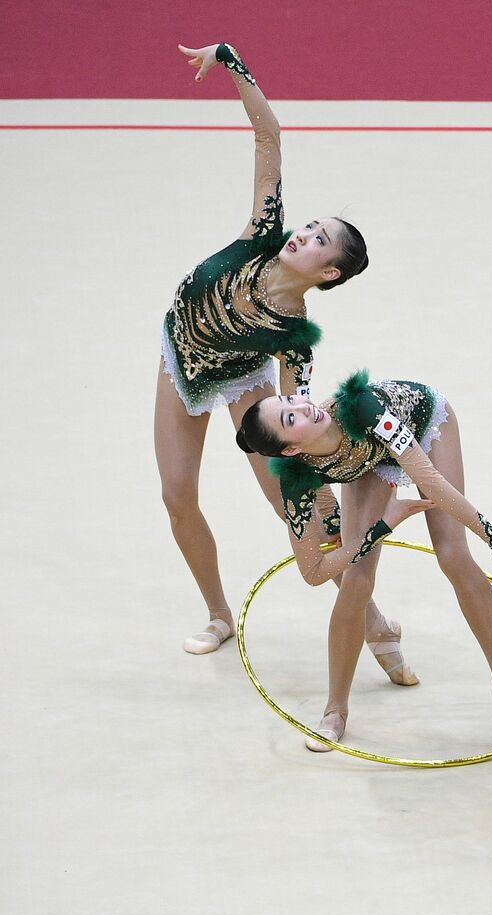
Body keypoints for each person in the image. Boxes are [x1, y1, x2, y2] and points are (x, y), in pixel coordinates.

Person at [157, 42, 399, 672]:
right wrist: (232, 63)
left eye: (319, 241)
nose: (303, 235)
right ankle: (218, 614)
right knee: (177, 494)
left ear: (329, 273)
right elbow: (269, 136)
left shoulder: (294, 335)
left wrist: (316, 478)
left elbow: (297, 412)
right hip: (180, 359)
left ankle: (368, 617)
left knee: (285, 495)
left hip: (241, 373)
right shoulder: (264, 231)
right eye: (311, 226)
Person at [237, 370, 492, 750]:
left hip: (423, 424)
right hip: (366, 462)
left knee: (452, 554)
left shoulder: (361, 407)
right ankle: (336, 710)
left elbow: (432, 483)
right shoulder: (297, 479)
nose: (303, 405)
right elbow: (314, 572)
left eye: (292, 400)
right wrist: (384, 523)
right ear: (291, 451)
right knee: (356, 580)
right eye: (290, 417)